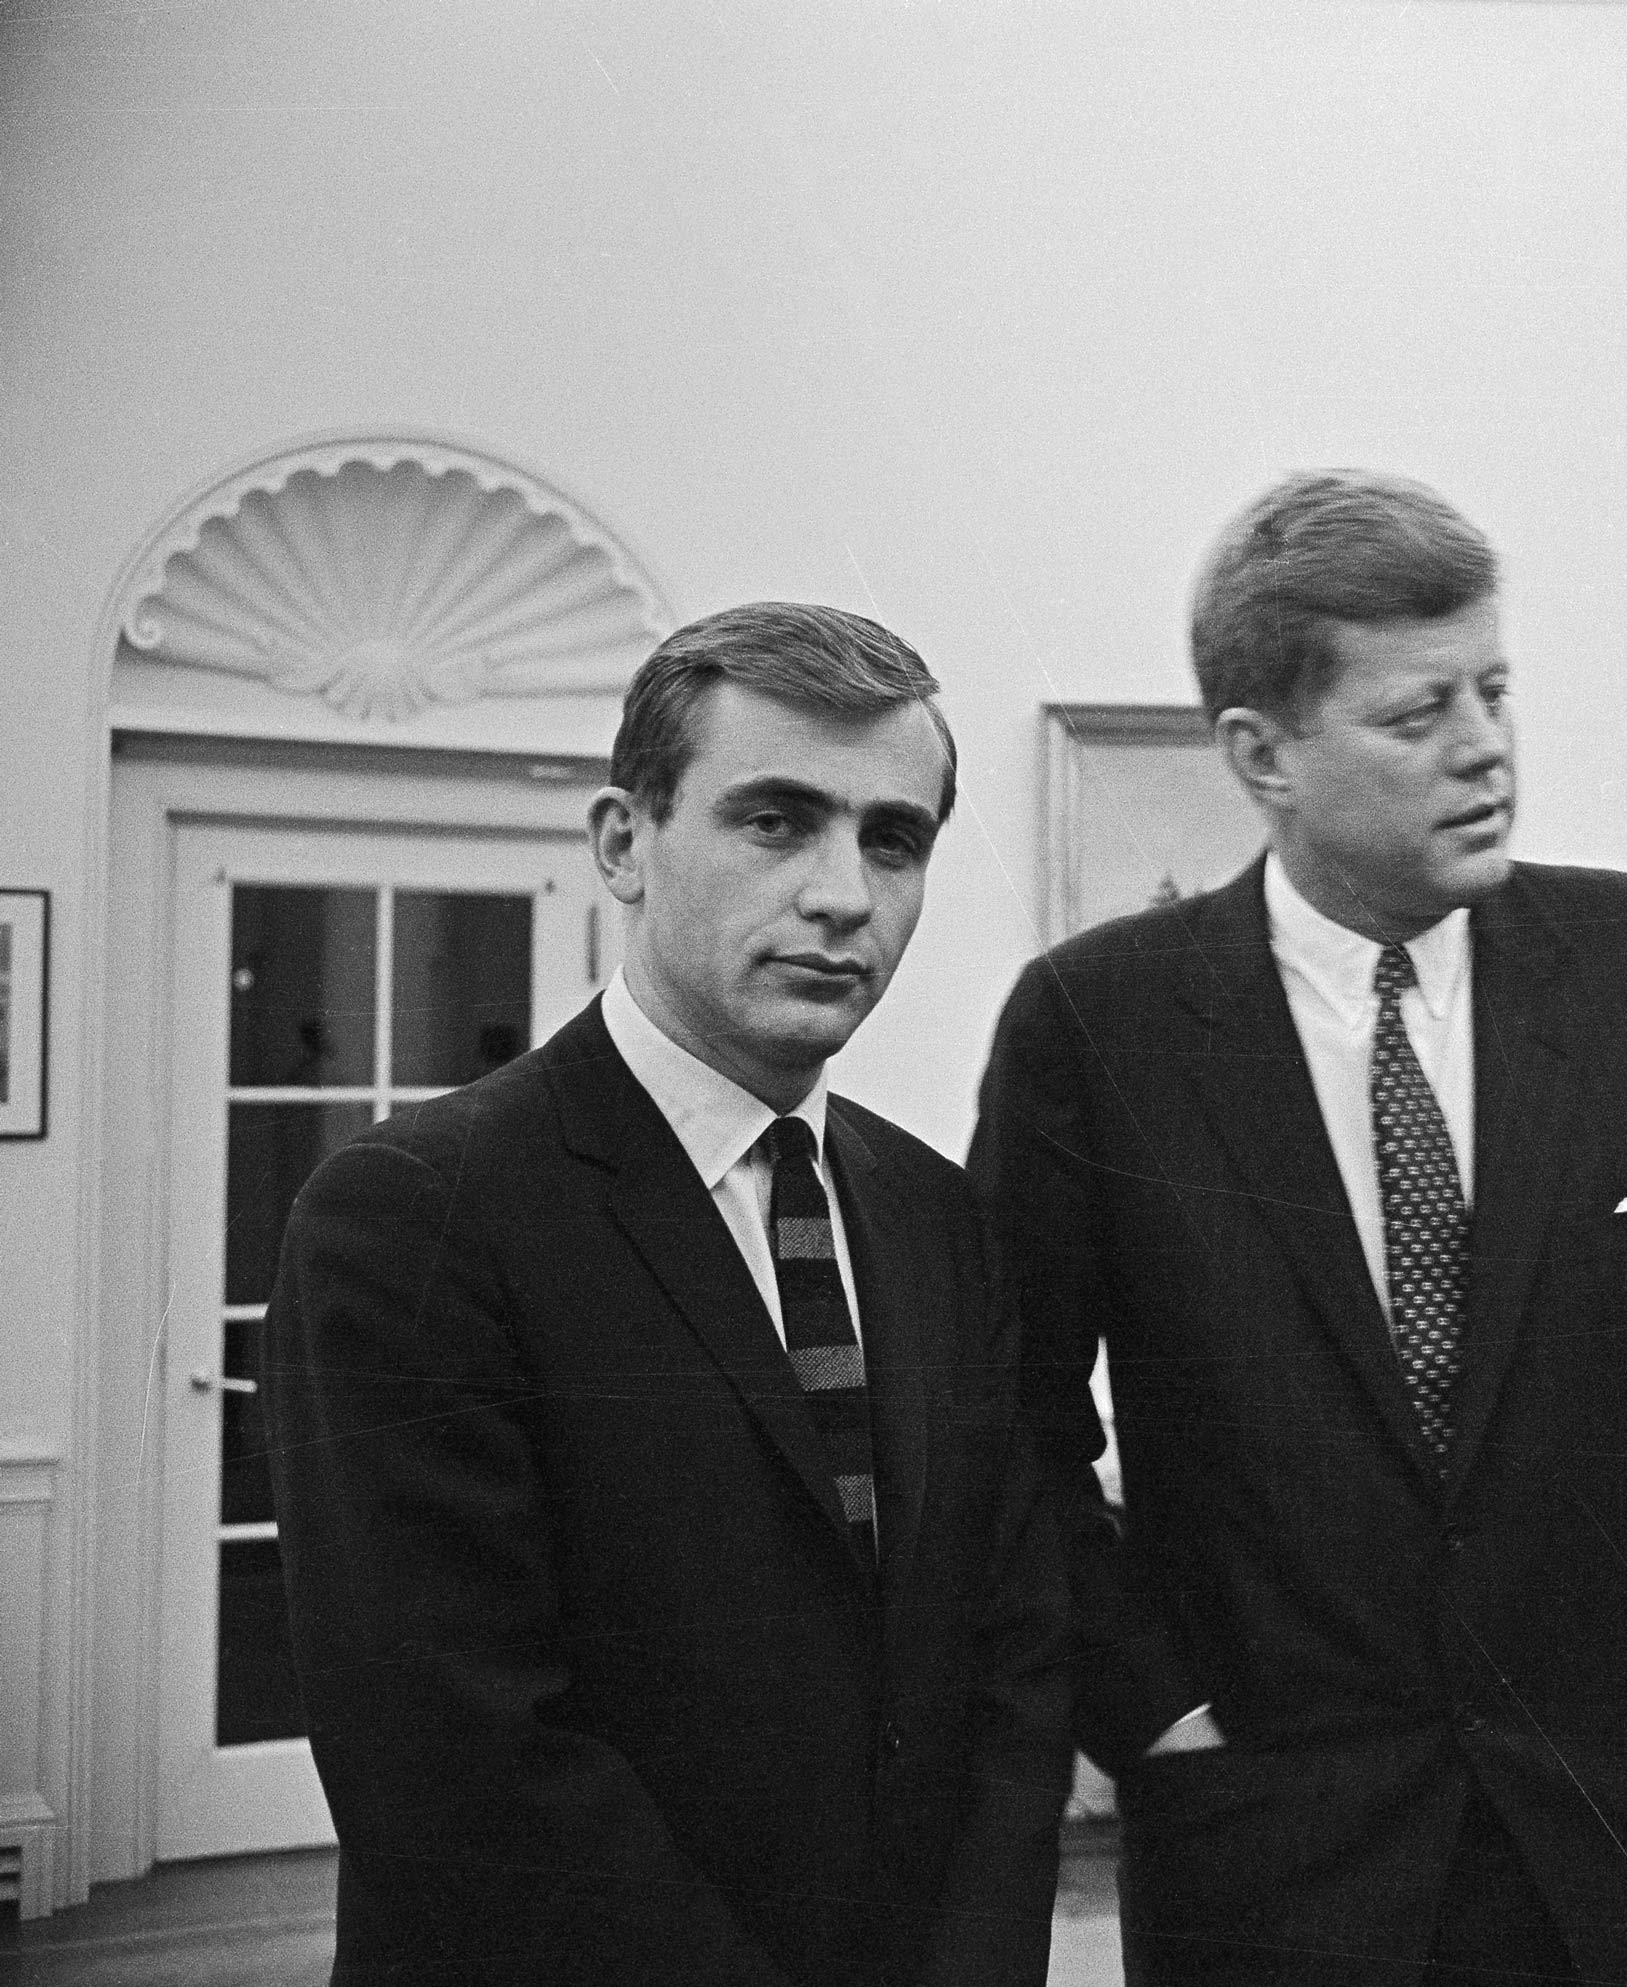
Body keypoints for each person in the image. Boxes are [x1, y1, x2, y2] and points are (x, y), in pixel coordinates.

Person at [971, 470, 1627, 1985]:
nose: (1487, 747)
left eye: (1497, 690)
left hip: (1621, 1848)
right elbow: (1013, 1424)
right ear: (1263, 753)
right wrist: (1159, 1718)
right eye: (1417, 714)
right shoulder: (1097, 1024)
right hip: (1277, 1865)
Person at [266, 603, 1070, 1987]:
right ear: (623, 844)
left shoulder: (936, 1215)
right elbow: (459, 1759)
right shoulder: (413, 1217)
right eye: (776, 821)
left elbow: (1012, 1658)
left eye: (894, 839)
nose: (843, 893)